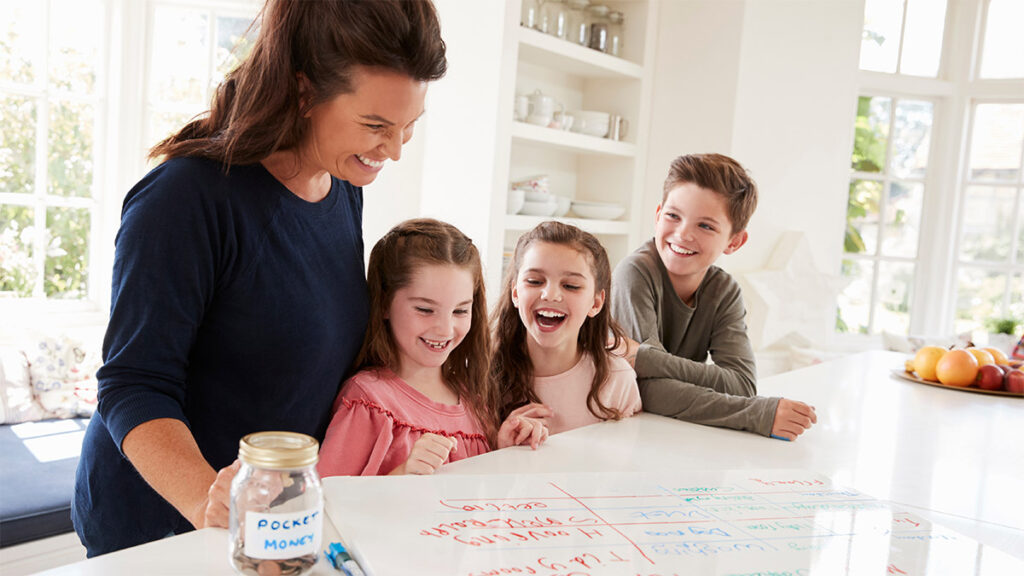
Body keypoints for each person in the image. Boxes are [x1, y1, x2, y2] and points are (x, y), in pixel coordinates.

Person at [73, 0, 448, 556]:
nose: (393, 150)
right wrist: (209, 500)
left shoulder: (343, 187)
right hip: (162, 527)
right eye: (375, 126)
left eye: (408, 127)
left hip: (276, 521)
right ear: (303, 94)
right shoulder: (184, 198)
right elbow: (132, 385)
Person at [317, 219, 549, 477]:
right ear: (384, 303)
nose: (445, 329)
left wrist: (503, 449)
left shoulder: (474, 399)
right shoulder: (368, 400)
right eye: (425, 310)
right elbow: (327, 500)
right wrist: (402, 474)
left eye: (460, 310)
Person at [610, 153, 817, 440]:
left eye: (705, 226)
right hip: (618, 431)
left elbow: (742, 384)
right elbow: (646, 390)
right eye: (673, 216)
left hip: (675, 432)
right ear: (658, 216)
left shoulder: (724, 291)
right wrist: (756, 414)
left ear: (734, 241)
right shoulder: (634, 273)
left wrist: (647, 359)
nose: (683, 234)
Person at [492, 221, 642, 435]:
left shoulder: (617, 378)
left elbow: (629, 459)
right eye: (534, 281)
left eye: (570, 285)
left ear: (596, 303)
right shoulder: (484, 372)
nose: (550, 294)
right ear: (515, 293)